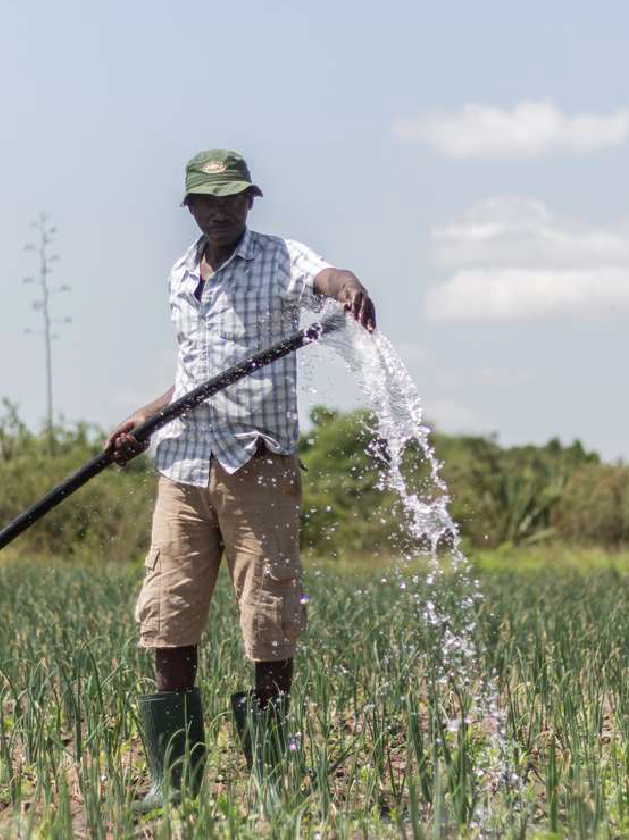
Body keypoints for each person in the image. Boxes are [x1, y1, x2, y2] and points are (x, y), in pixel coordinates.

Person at [104, 149, 377, 809]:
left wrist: (347, 287)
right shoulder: (179, 274)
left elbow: (326, 276)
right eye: (207, 199)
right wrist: (145, 416)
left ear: (251, 201)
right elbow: (196, 376)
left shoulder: (281, 260)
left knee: (269, 617)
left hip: (257, 464)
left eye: (232, 197)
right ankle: (174, 779)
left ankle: (268, 782)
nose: (220, 208)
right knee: (167, 615)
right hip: (183, 464)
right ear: (191, 206)